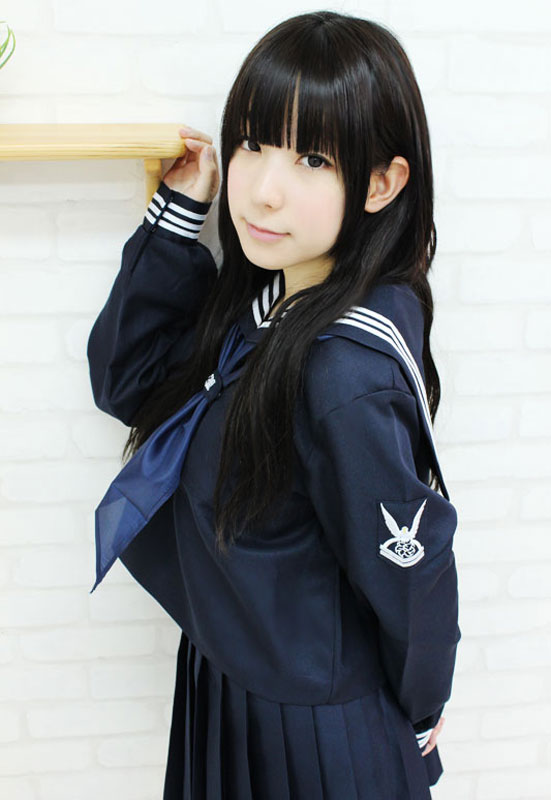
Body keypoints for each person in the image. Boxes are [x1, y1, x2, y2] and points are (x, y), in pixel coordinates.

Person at [86, 10, 461, 799]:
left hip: (313, 732)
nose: (262, 188)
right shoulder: (269, 305)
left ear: (382, 183)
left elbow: (409, 571)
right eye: (253, 142)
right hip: (233, 684)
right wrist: (179, 214)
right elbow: (128, 383)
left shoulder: (341, 368)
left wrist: (421, 709)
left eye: (312, 158)